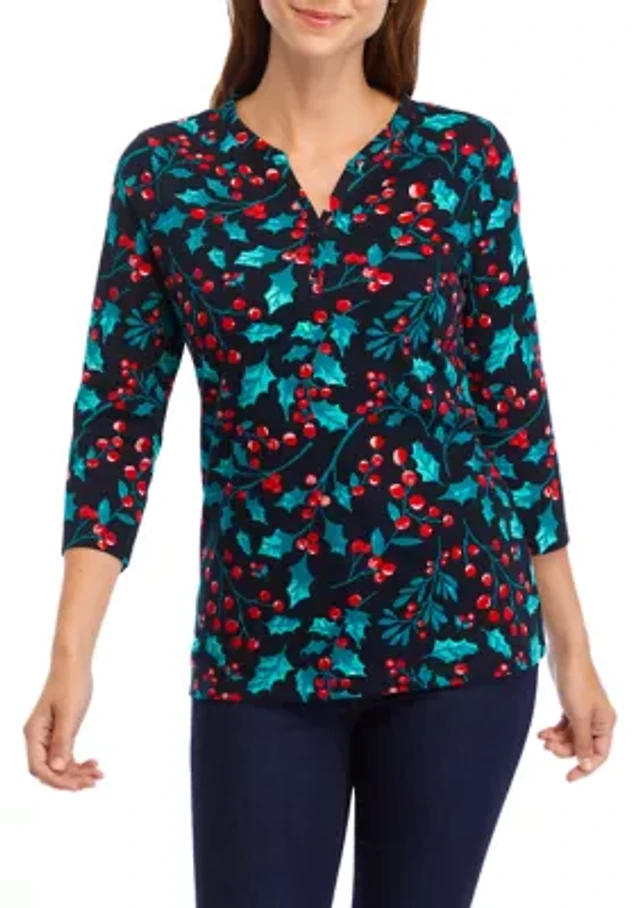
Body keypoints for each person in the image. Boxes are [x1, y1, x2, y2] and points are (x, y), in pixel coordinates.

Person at [24, 1, 617, 906]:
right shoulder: (167, 172)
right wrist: (71, 654)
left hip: (463, 641)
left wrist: (573, 647)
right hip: (259, 649)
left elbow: (513, 405)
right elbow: (117, 422)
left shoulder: (462, 158)